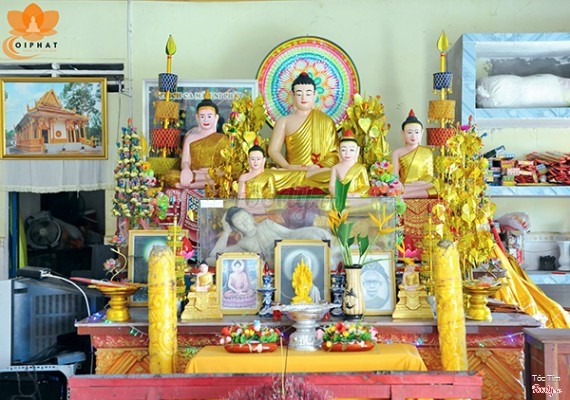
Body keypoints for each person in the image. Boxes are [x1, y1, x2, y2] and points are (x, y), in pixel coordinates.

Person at [268, 73, 339, 191]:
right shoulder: (284, 121)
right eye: (299, 93)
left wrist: (317, 167)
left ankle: (307, 178)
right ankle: (304, 179)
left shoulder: (326, 121)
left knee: (337, 175)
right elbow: (273, 150)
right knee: (267, 176)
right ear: (292, 95)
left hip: (317, 172)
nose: (304, 98)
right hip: (291, 172)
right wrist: (287, 166)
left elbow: (334, 154)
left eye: (308, 93)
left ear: (315, 95)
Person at [206, 206, 335, 269]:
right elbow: (213, 256)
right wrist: (226, 232)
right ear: (236, 228)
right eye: (239, 222)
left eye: (245, 218)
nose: (245, 223)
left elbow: (290, 234)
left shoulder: (267, 224)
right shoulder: (243, 243)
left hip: (289, 252)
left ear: (251, 217)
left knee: (317, 237)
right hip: (274, 267)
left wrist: (313, 231)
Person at [178, 92, 229, 188]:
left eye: (209, 116)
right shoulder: (190, 138)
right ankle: (202, 184)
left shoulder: (222, 139)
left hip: (212, 174)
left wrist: (212, 171)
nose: (206, 120)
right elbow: (185, 161)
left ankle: (191, 185)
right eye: (202, 116)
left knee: (226, 175)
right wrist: (186, 169)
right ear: (197, 117)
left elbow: (226, 165)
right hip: (194, 174)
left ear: (216, 118)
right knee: (171, 176)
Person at [391, 109, 436, 199]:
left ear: (421, 133)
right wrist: (398, 184)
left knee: (436, 187)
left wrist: (422, 182)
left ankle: (402, 195)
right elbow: (394, 176)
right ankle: (402, 194)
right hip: (404, 186)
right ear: (403, 133)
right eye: (409, 132)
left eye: (416, 132)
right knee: (396, 188)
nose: (413, 136)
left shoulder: (427, 152)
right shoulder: (397, 153)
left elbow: (429, 175)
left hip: (421, 185)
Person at [329, 130, 370, 196]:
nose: (347, 153)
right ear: (338, 150)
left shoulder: (361, 168)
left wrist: (356, 194)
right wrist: (340, 194)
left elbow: (366, 186)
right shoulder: (335, 168)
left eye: (351, 150)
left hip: (355, 198)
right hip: (340, 197)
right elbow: (332, 186)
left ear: (357, 150)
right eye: (343, 150)